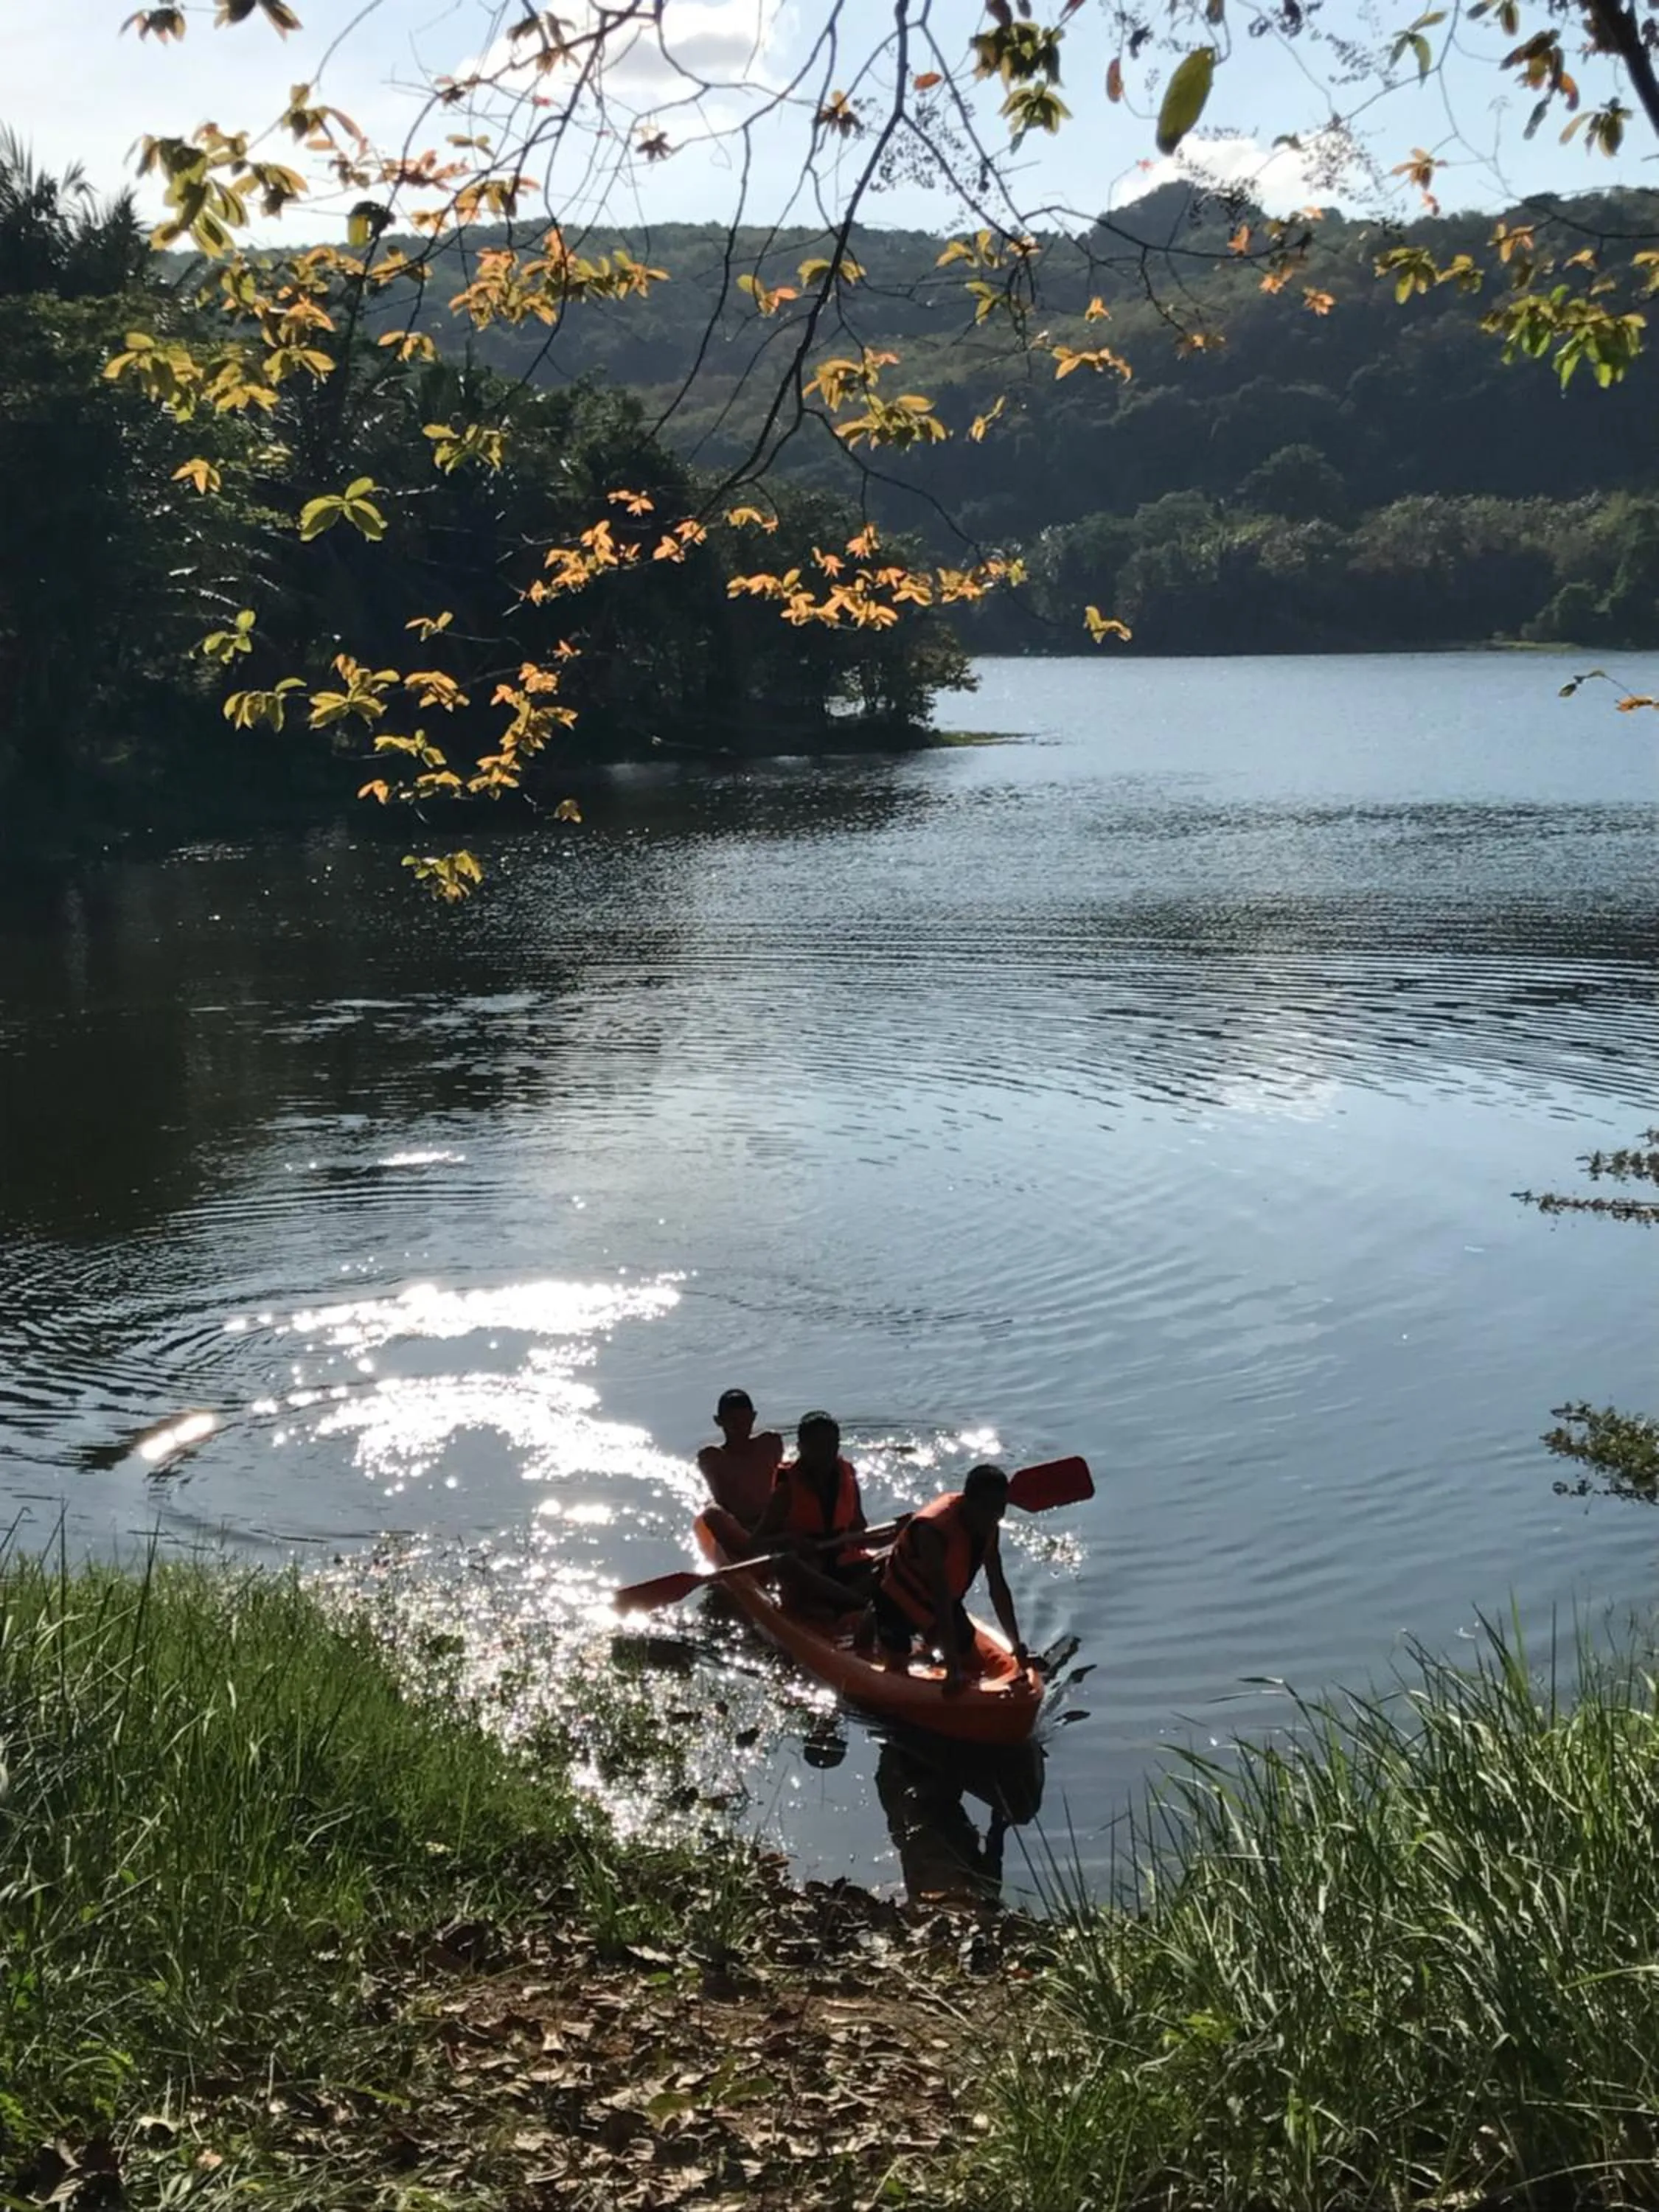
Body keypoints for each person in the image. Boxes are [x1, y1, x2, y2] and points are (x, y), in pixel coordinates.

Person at [863, 1464, 1027, 1690]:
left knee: (976, 1663)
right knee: (897, 1665)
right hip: (898, 1601)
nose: (994, 1516)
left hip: (945, 1603)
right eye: (987, 1508)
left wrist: (1015, 1643)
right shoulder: (933, 1531)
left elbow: (997, 1585)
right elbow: (940, 1596)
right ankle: (874, 1617)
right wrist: (953, 1669)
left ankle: (925, 1647)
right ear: (968, 1501)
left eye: (1000, 1508)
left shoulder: (990, 1525)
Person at [750, 1410, 874, 1613]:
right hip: (808, 1570)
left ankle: (847, 1601)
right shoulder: (788, 1489)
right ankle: (859, 1604)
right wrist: (790, 1540)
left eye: (830, 1445)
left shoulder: (848, 1476)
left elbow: (860, 1530)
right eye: (816, 1447)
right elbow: (756, 1544)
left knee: (893, 1556)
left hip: (843, 1564)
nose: (825, 1453)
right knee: (786, 1563)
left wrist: (900, 1533)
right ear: (801, 1448)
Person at [697, 1386, 784, 1551]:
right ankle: (749, 1550)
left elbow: (780, 1482)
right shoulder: (712, 1457)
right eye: (732, 1421)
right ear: (719, 1421)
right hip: (739, 1526)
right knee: (711, 1513)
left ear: (753, 1417)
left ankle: (771, 1543)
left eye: (745, 1420)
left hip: (773, 1519)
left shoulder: (769, 1443)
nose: (740, 1426)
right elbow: (720, 1500)